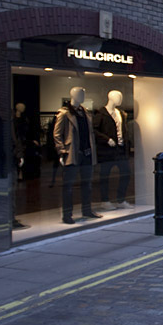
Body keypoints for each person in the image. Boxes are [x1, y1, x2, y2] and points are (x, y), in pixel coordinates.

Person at [53, 86, 101, 224]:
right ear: (72, 95)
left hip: (87, 153)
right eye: (80, 94)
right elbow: (57, 134)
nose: (82, 97)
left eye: (83, 94)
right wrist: (62, 151)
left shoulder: (85, 112)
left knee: (87, 184)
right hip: (72, 153)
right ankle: (67, 214)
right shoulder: (64, 113)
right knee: (68, 186)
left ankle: (87, 210)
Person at [92, 90, 132, 210]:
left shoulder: (120, 113)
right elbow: (94, 131)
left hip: (120, 149)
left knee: (126, 173)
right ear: (110, 98)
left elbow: (123, 130)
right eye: (118, 97)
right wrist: (106, 139)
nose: (120, 99)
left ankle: (121, 199)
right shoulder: (101, 114)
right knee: (105, 175)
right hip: (107, 150)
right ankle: (105, 200)